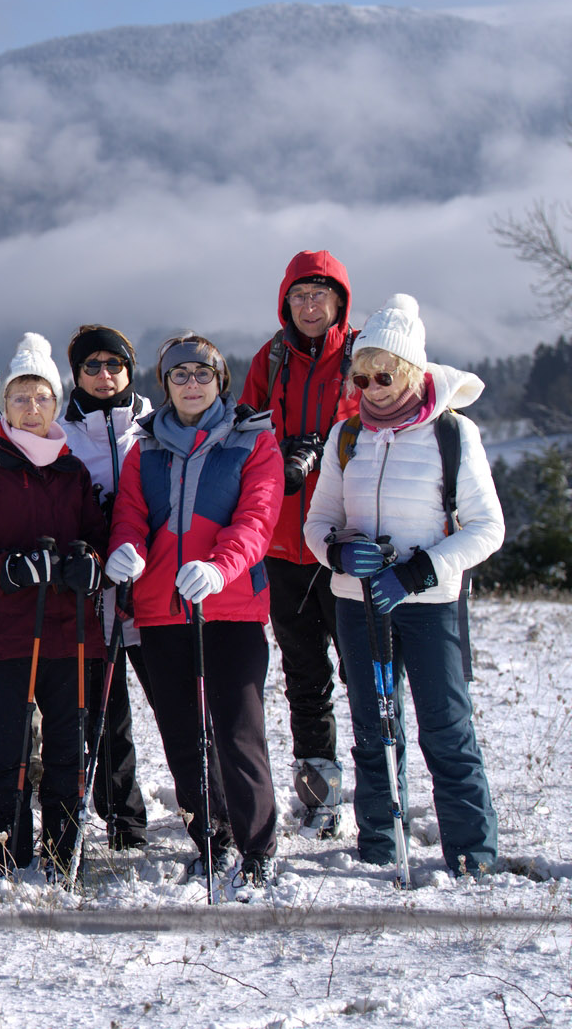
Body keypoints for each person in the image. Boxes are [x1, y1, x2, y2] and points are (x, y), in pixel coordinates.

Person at [305, 294, 504, 878]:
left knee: (446, 727)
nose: (371, 386)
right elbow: (317, 524)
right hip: (359, 605)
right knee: (372, 726)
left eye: (384, 373)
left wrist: (418, 571)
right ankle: (379, 843)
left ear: (414, 370)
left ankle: (473, 853)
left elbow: (487, 528)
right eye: (360, 374)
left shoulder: (453, 435)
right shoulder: (347, 438)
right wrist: (340, 553)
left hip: (430, 605)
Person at [106, 333, 284, 886]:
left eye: (202, 373)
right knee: (183, 734)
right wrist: (125, 550)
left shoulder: (253, 442)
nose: (190, 384)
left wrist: (220, 568)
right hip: (161, 612)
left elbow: (257, 520)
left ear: (220, 380)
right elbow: (130, 515)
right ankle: (211, 837)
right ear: (165, 385)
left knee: (237, 729)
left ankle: (257, 846)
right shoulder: (145, 449)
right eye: (179, 375)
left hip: (229, 608)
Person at [0, 335, 108, 873]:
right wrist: (7, 570)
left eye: (42, 398)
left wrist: (91, 568)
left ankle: (63, 852)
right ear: (3, 404)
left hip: (71, 631)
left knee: (66, 746)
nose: (31, 409)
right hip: (2, 632)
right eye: (19, 398)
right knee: (8, 748)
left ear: (57, 405)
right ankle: (10, 849)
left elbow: (98, 540)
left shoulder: (72, 472)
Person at [238, 250, 359, 836]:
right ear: (286, 302)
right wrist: (279, 452)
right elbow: (249, 427)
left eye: (321, 296)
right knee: (306, 679)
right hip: (284, 545)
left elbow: (381, 418)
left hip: (347, 542)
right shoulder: (273, 357)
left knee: (366, 677)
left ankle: (382, 795)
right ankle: (319, 797)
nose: (310, 307)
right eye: (299, 297)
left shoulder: (363, 354)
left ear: (339, 300)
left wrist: (328, 445)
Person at [55, 325, 154, 850]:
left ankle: (205, 809)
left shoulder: (154, 427)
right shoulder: (62, 435)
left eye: (113, 364)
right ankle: (122, 817)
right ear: (76, 373)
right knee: (106, 714)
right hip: (94, 598)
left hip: (157, 590)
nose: (103, 375)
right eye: (91, 366)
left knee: (180, 709)